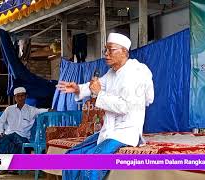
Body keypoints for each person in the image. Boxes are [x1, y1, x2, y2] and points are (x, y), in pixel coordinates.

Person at [57, 32, 154, 179]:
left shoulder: (135, 73)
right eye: (105, 50)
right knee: (72, 156)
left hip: (126, 133)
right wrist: (78, 89)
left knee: (92, 164)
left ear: (124, 52)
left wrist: (100, 94)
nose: (106, 54)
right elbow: (95, 85)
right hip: (109, 130)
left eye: (111, 50)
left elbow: (125, 107)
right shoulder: (112, 73)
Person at [0, 87, 49, 155]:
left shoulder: (32, 110)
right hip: (8, 135)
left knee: (15, 146)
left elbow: (42, 110)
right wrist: (0, 132)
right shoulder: (9, 109)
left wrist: (49, 110)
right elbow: (0, 121)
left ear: (26, 96)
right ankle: (0, 163)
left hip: (22, 136)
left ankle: (16, 163)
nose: (20, 98)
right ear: (15, 97)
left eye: (22, 95)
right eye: (18, 96)